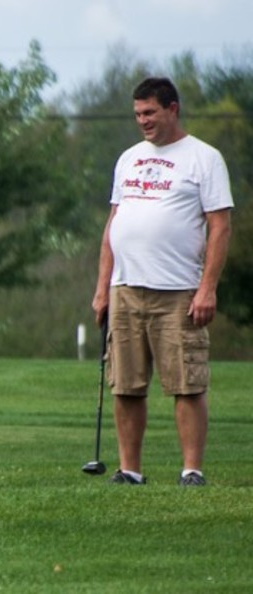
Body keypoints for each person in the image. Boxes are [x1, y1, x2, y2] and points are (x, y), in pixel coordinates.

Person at [92, 77, 233, 487]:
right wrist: (103, 287)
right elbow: (113, 226)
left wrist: (207, 288)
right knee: (126, 384)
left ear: (173, 108)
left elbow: (220, 226)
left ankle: (191, 469)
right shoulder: (129, 159)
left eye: (150, 112)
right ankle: (130, 470)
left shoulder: (203, 159)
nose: (143, 121)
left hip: (178, 291)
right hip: (126, 287)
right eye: (138, 114)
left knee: (186, 383)